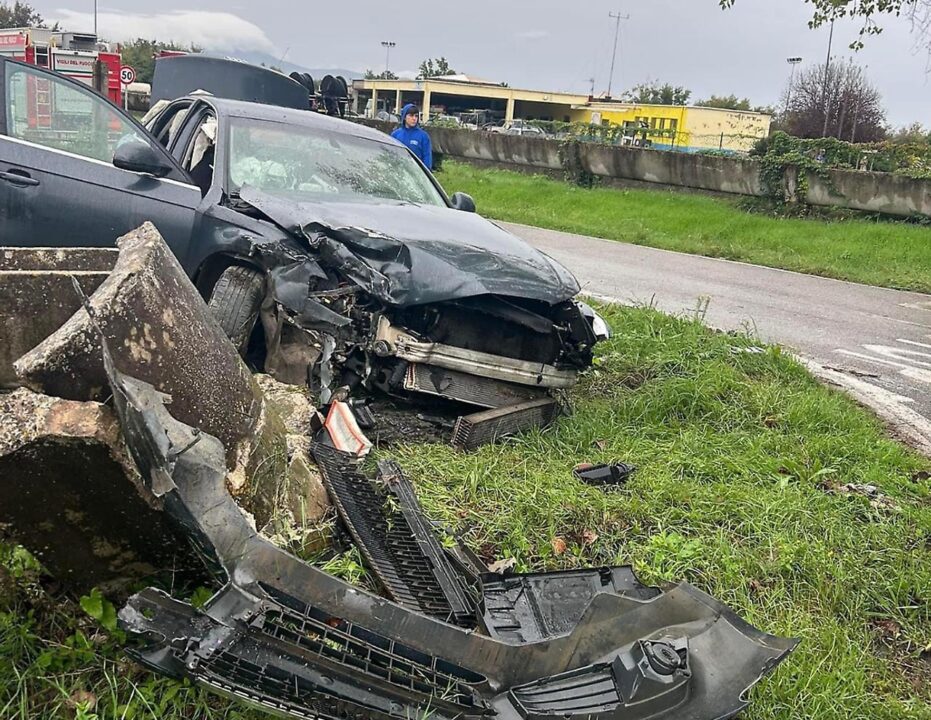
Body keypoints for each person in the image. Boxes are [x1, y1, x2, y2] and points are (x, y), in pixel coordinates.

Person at [391, 104, 433, 169]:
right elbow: (391, 155)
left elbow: (427, 158)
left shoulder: (423, 136)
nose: (414, 118)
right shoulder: (395, 134)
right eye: (411, 115)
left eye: (416, 116)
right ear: (404, 117)